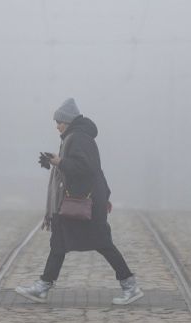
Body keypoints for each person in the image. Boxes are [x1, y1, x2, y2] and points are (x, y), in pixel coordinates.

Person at [16, 98, 144, 306]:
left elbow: (85, 168)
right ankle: (42, 286)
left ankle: (130, 286)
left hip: (85, 203)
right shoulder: (76, 137)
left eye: (59, 122)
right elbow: (84, 167)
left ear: (68, 121)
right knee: (60, 242)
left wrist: (60, 162)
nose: (57, 126)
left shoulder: (78, 138)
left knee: (102, 244)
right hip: (80, 201)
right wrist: (55, 161)